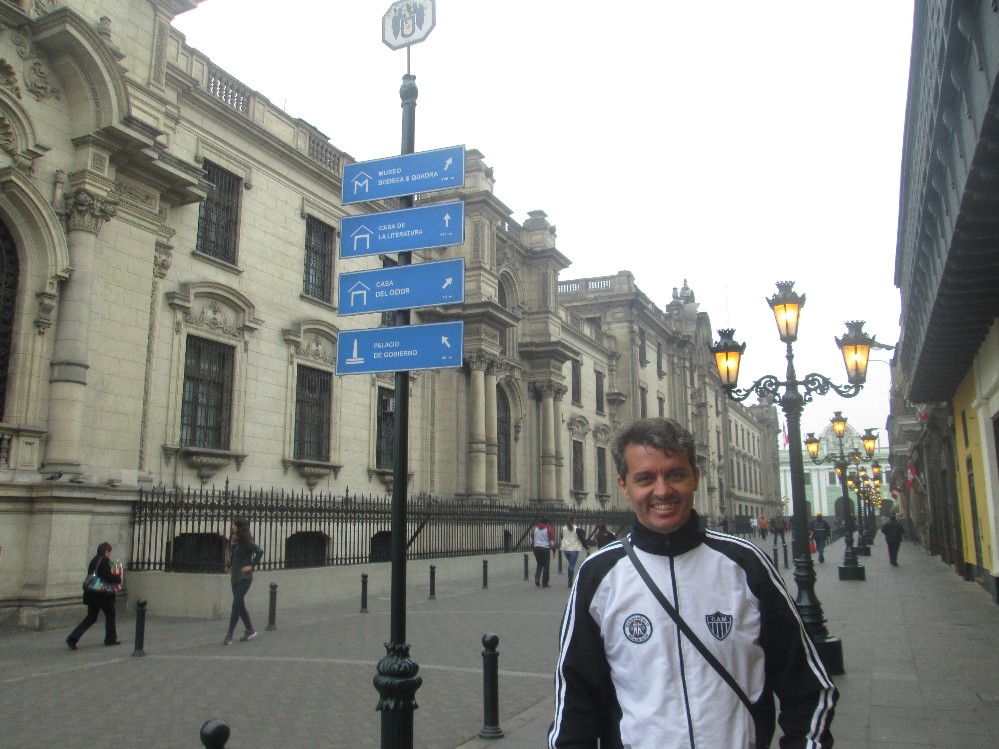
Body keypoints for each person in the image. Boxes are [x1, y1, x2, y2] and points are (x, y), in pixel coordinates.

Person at [549, 417, 837, 748]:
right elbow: (574, 708)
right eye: (645, 478)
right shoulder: (598, 575)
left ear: (695, 478)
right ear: (624, 486)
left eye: (675, 474)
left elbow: (808, 686)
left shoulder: (746, 565)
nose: (662, 491)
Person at [67, 542, 122, 649]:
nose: (110, 554)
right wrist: (118, 578)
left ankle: (73, 637)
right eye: (109, 552)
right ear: (106, 551)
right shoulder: (105, 561)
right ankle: (110, 638)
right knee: (110, 614)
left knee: (91, 617)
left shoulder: (94, 560)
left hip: (92, 594)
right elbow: (107, 576)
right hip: (103, 595)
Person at [225, 517, 264, 645]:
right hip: (235, 577)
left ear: (239, 527)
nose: (232, 526)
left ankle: (230, 634)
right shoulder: (234, 541)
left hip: (244, 578)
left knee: (236, 604)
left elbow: (259, 551)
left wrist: (251, 566)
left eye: (234, 525)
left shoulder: (246, 541)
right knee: (240, 605)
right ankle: (250, 630)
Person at [560, 516, 587, 588]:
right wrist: (586, 547)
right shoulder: (577, 529)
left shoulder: (563, 528)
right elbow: (582, 539)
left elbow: (561, 537)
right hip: (574, 549)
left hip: (566, 549)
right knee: (571, 565)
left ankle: (570, 576)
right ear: (573, 521)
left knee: (571, 563)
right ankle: (570, 581)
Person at [532, 517, 556, 588]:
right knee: (546, 566)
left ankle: (537, 578)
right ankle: (545, 583)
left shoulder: (535, 529)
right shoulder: (548, 529)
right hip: (545, 548)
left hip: (536, 548)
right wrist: (554, 551)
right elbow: (552, 542)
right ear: (547, 523)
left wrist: (533, 548)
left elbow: (532, 539)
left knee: (539, 564)